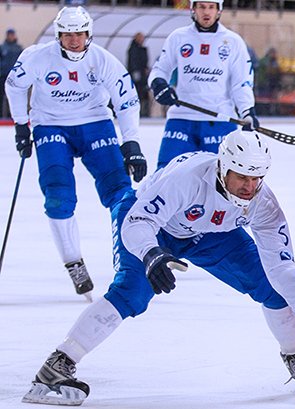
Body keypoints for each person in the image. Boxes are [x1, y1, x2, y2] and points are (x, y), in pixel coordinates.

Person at [22, 129, 295, 406]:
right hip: (151, 225)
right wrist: (151, 254)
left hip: (210, 233)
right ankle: (57, 365)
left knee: (272, 287)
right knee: (132, 292)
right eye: (242, 177)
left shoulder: (263, 202)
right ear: (223, 166)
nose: (249, 186)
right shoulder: (187, 178)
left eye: (257, 178)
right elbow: (138, 222)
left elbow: (281, 265)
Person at [5, 7, 147, 300]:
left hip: (95, 124)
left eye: (79, 34)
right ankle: (74, 263)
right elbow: (14, 85)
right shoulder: (38, 56)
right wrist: (21, 125)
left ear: (88, 34)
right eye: (67, 34)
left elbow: (127, 100)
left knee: (119, 190)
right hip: (51, 125)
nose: (73, 40)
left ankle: (136, 256)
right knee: (58, 195)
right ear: (58, 35)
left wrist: (131, 143)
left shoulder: (102, 60)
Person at [148, 0, 257, 169]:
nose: (206, 12)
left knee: (221, 176)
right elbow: (160, 69)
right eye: (202, 7)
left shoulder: (233, 41)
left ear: (219, 10)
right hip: (181, 118)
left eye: (211, 7)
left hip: (220, 120)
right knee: (166, 173)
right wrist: (158, 84)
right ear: (193, 9)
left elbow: (241, 82)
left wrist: (247, 110)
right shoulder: (178, 37)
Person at [0, 28, 23, 118]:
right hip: (3, 75)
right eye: (9, 35)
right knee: (2, 95)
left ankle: (12, 115)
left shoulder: (18, 48)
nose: (11, 36)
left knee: (13, 96)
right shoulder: (2, 47)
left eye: (12, 35)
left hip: (15, 76)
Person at [127, 32, 150, 118]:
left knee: (143, 92)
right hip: (136, 74)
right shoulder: (133, 50)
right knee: (137, 91)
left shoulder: (142, 49)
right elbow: (133, 62)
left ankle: (143, 111)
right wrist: (136, 72)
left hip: (141, 74)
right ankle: (138, 111)